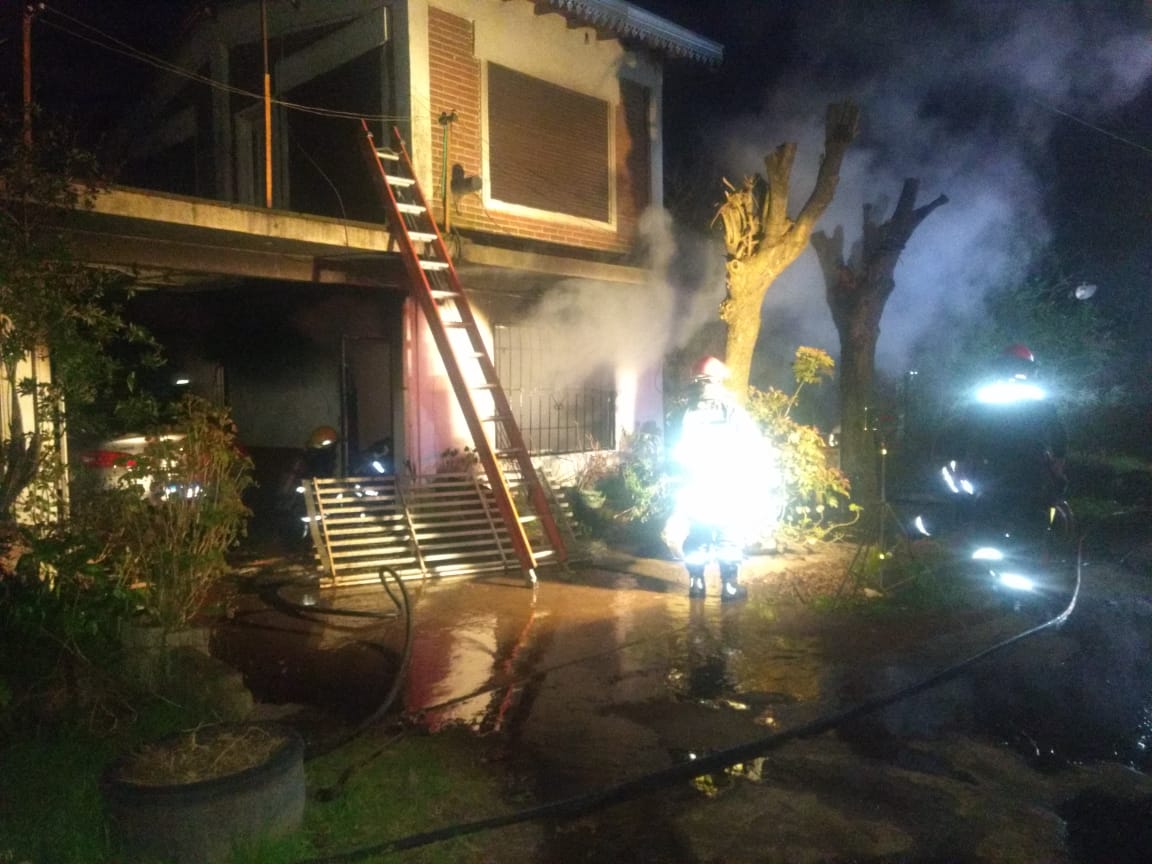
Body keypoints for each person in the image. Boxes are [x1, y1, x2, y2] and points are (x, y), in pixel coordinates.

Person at [666, 356, 780, 601]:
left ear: (694, 382)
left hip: (693, 487)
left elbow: (670, 454)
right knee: (729, 536)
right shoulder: (734, 412)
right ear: (718, 381)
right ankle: (729, 587)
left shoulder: (681, 415)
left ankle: (696, 584)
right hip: (727, 485)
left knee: (697, 536)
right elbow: (754, 448)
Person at [934, 344, 1068, 543]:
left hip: (991, 473)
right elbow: (1059, 439)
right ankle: (1044, 542)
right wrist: (1057, 465)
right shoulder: (1041, 404)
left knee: (984, 520)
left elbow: (963, 434)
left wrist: (961, 463)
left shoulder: (985, 400)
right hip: (1028, 475)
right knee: (1036, 518)